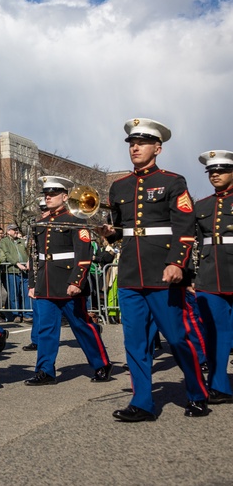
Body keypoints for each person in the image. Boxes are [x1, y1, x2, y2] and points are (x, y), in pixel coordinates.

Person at [98, 118, 209, 422]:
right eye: (132, 143)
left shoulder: (173, 182)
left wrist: (177, 262)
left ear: (157, 148)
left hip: (164, 271)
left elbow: (185, 227)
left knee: (176, 338)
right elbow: (123, 229)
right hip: (131, 273)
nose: (135, 147)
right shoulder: (118, 186)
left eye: (142, 142)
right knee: (134, 341)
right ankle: (143, 402)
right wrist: (110, 232)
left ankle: (198, 393)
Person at [24, 176, 112, 386]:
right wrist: (32, 284)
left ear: (64, 196)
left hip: (68, 282)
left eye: (54, 193)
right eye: (47, 193)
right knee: (45, 328)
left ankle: (102, 364)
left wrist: (77, 281)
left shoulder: (76, 220)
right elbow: (34, 256)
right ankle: (45, 371)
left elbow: (83, 253)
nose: (49, 196)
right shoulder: (40, 222)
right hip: (45, 281)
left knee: (81, 326)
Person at [193, 150, 233, 405]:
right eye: (211, 171)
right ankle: (219, 386)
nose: (215, 174)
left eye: (221, 170)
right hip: (210, 276)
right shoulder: (202, 206)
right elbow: (190, 241)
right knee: (214, 333)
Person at [0, 223, 31, 323]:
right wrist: (17, 263)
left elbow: (28, 251)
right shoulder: (4, 241)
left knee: (26, 293)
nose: (16, 231)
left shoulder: (22, 241)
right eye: (13, 230)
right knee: (14, 293)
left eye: (17, 229)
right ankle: (16, 314)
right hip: (12, 270)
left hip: (25, 270)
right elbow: (7, 254)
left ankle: (27, 314)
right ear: (8, 231)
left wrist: (29, 261)